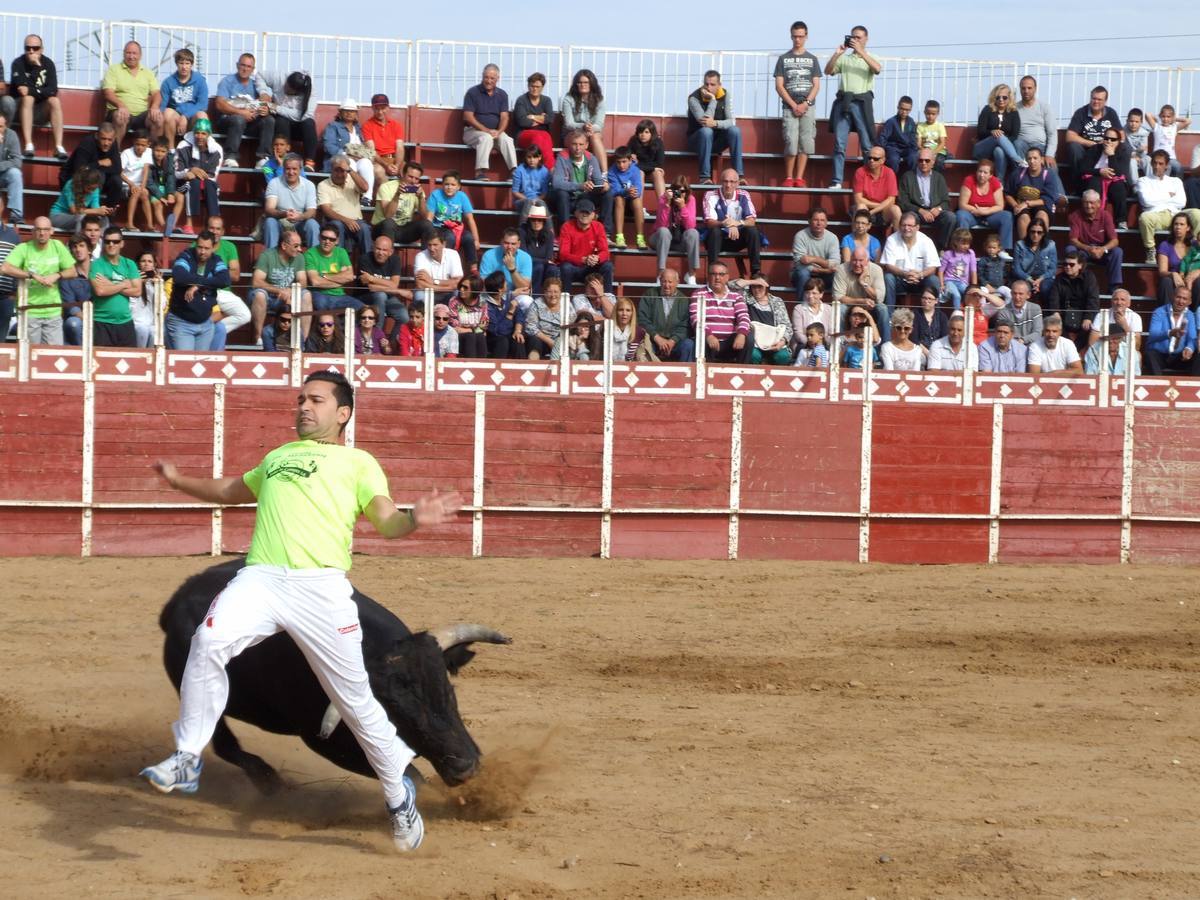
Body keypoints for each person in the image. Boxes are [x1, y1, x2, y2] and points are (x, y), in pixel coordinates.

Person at [142, 370, 461, 848]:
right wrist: (179, 482)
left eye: (315, 400)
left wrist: (417, 518)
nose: (303, 407)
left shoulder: (359, 464)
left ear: (343, 413)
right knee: (206, 640)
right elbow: (231, 491)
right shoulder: (276, 458)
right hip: (261, 577)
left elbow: (388, 521)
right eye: (300, 399)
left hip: (321, 588)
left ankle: (398, 798)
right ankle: (187, 756)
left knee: (356, 703)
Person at [824, 25, 881, 190]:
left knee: (866, 145)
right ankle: (836, 180)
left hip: (862, 103)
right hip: (844, 102)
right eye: (853, 37)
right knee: (839, 144)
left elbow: (877, 69)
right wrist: (837, 54)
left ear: (866, 39)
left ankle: (867, 180)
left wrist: (861, 52)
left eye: (858, 38)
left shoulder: (871, 57)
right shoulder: (844, 58)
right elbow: (828, 71)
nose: (855, 40)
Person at [0, 216, 73, 344]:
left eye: (45, 229)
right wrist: (30, 275)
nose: (42, 233)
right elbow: (5, 268)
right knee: (29, 357)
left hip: (53, 311)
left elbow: (72, 271)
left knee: (53, 357)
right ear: (33, 231)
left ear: (52, 231)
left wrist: (57, 275)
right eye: (38, 229)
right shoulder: (24, 248)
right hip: (29, 311)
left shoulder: (57, 246)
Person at [774, 21, 821, 189]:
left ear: (806, 36)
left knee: (806, 142)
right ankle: (788, 177)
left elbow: (816, 85)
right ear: (791, 36)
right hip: (789, 106)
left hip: (808, 106)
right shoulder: (783, 59)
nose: (798, 40)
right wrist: (794, 104)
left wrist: (806, 103)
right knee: (791, 140)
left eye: (801, 36)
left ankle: (799, 178)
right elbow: (779, 86)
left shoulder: (813, 59)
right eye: (795, 36)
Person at [880, 213, 940, 342]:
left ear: (917, 227)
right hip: (900, 278)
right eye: (904, 225)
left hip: (920, 279)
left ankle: (935, 317)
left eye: (910, 225)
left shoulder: (926, 241)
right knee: (888, 277)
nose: (907, 228)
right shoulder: (892, 239)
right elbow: (889, 265)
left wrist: (920, 274)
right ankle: (890, 318)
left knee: (934, 280)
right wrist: (904, 274)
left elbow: (933, 267)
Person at [166, 230, 229, 350]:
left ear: (213, 248)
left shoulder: (216, 260)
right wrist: (207, 281)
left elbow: (225, 280)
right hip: (182, 322)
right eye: (199, 247)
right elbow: (179, 276)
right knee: (186, 364)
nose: (202, 252)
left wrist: (197, 285)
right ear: (195, 245)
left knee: (200, 365)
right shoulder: (186, 256)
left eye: (206, 248)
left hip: (205, 323)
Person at [1136, 150, 1200, 265]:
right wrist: (1169, 195)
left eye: (1160, 164)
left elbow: (1181, 201)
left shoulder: (1175, 181)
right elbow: (1146, 201)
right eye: (1154, 163)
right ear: (1151, 164)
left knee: (1196, 213)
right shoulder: (1143, 181)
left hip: (1176, 215)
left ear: (1166, 165)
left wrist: (1157, 197)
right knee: (1144, 217)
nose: (1157, 166)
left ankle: (1194, 246)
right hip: (1156, 215)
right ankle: (1150, 250)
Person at [8, 35, 66, 158]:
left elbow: (52, 90)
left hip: (40, 110)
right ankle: (29, 144)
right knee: (28, 98)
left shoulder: (48, 64)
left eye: (35, 48)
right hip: (20, 110)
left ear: (42, 49)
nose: (31, 51)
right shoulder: (18, 63)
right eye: (28, 48)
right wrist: (36, 69)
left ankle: (59, 146)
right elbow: (23, 91)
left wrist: (33, 89)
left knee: (54, 101)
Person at [249, 231, 312, 344]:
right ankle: (258, 338)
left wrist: (290, 291)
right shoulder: (267, 256)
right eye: (296, 246)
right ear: (284, 246)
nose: (300, 249)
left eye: (300, 245)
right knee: (259, 295)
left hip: (288, 297)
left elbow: (303, 282)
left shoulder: (299, 257)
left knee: (306, 295)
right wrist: (280, 290)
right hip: (269, 297)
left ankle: (305, 340)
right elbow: (256, 281)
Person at [213, 52, 274, 162]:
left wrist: (265, 109)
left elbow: (267, 100)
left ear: (253, 69)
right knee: (238, 119)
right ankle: (230, 157)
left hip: (250, 124)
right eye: (243, 65)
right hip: (228, 123)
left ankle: (263, 158)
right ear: (237, 65)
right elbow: (219, 104)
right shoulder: (227, 81)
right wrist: (241, 112)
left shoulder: (256, 85)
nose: (245, 69)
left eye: (249, 66)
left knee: (269, 120)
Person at [87, 226, 140, 347]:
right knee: (101, 364)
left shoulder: (129, 264)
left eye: (115, 242)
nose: (111, 244)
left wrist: (110, 284)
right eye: (107, 241)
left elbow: (137, 291)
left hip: (126, 322)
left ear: (122, 243)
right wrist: (123, 284)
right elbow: (100, 291)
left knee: (128, 362)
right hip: (101, 322)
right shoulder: (96, 264)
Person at [550, 129, 611, 233]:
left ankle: (606, 233)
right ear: (569, 145)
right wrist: (580, 186)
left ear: (586, 145)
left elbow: (598, 180)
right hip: (568, 200)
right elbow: (556, 183)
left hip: (584, 198)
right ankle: (564, 233)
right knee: (561, 193)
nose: (577, 148)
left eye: (581, 144)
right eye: (574, 144)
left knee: (608, 194)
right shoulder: (562, 157)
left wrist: (604, 185)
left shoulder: (591, 158)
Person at [687, 70, 742, 184]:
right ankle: (704, 177)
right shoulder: (693, 98)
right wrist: (712, 99)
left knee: (735, 131)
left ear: (719, 85)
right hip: (697, 141)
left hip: (716, 141)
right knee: (706, 131)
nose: (708, 87)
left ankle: (739, 176)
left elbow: (731, 121)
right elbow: (705, 122)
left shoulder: (726, 94)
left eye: (712, 84)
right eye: (706, 84)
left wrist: (716, 123)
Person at [703, 169, 761, 277]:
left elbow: (752, 220)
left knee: (753, 231)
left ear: (738, 183)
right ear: (720, 182)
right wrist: (725, 224)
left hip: (738, 238)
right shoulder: (710, 195)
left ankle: (756, 272)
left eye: (732, 182)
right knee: (714, 231)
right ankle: (712, 272)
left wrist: (736, 223)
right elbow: (709, 222)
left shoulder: (743, 195)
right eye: (725, 181)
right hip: (720, 240)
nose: (728, 185)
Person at [462, 64, 517, 180]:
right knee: (485, 138)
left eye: (492, 78)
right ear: (482, 77)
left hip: (495, 132)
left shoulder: (502, 95)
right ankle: (479, 172)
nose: (488, 81)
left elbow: (504, 117)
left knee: (507, 139)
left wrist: (499, 131)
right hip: (473, 132)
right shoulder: (472, 92)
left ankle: (514, 172)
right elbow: (468, 117)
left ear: (497, 79)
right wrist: (486, 130)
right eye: (486, 77)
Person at [102, 40, 162, 144]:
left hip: (141, 114)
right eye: (128, 53)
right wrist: (121, 105)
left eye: (134, 53)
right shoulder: (114, 70)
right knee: (120, 117)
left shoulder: (148, 73)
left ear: (140, 55)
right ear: (124, 54)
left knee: (158, 118)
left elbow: (156, 93)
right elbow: (108, 92)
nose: (131, 56)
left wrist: (155, 106)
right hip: (119, 111)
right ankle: (115, 153)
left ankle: (153, 153)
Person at [1064, 86, 1122, 192]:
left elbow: (1121, 136)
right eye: (1093, 98)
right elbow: (1069, 136)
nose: (1096, 102)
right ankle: (1078, 186)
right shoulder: (1081, 112)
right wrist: (1092, 144)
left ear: (1105, 101)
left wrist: (1108, 145)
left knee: (1125, 147)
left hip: (1105, 151)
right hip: (1087, 151)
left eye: (1099, 99)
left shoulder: (1111, 113)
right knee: (1074, 147)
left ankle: (1125, 183)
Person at [690, 261, 750, 362]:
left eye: (721, 274)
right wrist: (708, 335)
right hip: (708, 342)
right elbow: (695, 319)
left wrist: (741, 334)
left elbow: (744, 317)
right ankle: (704, 374)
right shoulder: (698, 294)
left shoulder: (736, 296)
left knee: (748, 338)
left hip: (730, 343)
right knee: (701, 337)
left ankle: (742, 373)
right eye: (713, 274)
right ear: (708, 276)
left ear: (727, 277)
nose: (717, 278)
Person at [204, 216, 251, 345]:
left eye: (218, 229)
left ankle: (209, 331)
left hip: (223, 292)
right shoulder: (198, 245)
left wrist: (211, 274)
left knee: (245, 315)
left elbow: (236, 275)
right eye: (211, 228)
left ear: (223, 231)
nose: (214, 232)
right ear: (206, 229)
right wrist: (222, 274)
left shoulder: (229, 247)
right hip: (203, 290)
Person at [1005, 146, 1065, 243]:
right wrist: (1015, 205)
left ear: (1041, 159)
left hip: (1042, 206)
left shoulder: (1049, 175)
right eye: (1029, 158)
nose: (1032, 161)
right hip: (1021, 206)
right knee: (1023, 217)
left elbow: (1048, 199)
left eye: (1035, 158)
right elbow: (1008, 194)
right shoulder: (1017, 174)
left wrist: (1027, 203)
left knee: (1041, 215)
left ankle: (1042, 246)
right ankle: (1025, 249)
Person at [898, 149, 955, 250]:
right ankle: (910, 248)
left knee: (950, 217)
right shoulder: (907, 177)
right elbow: (903, 202)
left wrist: (939, 209)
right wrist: (920, 210)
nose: (923, 163)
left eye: (927, 160)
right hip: (916, 212)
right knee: (910, 218)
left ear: (933, 162)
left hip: (934, 212)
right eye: (921, 160)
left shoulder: (939, 178)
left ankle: (940, 248)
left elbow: (946, 201)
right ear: (917, 161)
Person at [649, 176, 700, 285]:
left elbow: (690, 225)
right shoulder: (664, 198)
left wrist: (682, 207)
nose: (679, 194)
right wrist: (667, 204)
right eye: (676, 190)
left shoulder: (691, 199)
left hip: (680, 240)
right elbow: (661, 225)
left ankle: (691, 275)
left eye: (682, 191)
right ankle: (660, 274)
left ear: (687, 192)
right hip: (660, 239)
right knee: (663, 231)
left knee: (693, 233)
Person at [174, 118, 222, 234]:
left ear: (208, 135)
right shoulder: (183, 146)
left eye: (203, 133)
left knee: (210, 186)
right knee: (192, 183)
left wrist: (196, 173)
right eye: (197, 133)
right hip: (181, 185)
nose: (199, 136)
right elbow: (177, 173)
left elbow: (212, 175)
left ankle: (212, 226)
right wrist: (190, 170)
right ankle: (188, 224)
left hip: (206, 183)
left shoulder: (216, 149)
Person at [317, 153, 371, 257]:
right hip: (335, 222)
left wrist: (350, 170)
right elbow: (326, 210)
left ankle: (367, 267)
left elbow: (365, 188)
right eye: (336, 170)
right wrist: (346, 220)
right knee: (338, 226)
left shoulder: (352, 180)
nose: (339, 174)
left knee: (364, 229)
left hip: (356, 222)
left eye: (343, 170)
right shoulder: (323, 185)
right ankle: (338, 263)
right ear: (331, 170)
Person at [359, 234, 411, 340]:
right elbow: (372, 288)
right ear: (373, 248)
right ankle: (378, 336)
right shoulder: (365, 259)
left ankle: (389, 344)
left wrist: (372, 278)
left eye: (384, 250)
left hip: (389, 296)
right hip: (365, 296)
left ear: (390, 252)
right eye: (378, 249)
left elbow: (394, 284)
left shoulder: (395, 260)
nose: (380, 253)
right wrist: (398, 291)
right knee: (380, 295)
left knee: (404, 317)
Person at [638, 268, 695, 362]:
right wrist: (657, 338)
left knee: (688, 344)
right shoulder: (649, 295)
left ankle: (684, 375)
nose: (667, 285)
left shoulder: (684, 300)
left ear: (677, 282)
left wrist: (672, 341)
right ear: (660, 281)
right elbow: (643, 319)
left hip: (675, 342)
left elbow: (685, 325)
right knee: (643, 345)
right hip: (653, 340)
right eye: (664, 281)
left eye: (670, 282)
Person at [1068, 189, 1123, 288]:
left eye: (1092, 203)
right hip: (1084, 250)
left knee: (1117, 252)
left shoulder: (1106, 215)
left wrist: (1103, 249)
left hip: (1102, 250)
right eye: (1086, 203)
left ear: (1098, 203)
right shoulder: (1075, 216)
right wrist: (1088, 248)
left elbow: (1115, 240)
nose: (1088, 206)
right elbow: (1073, 239)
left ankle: (1114, 287)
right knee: (1070, 250)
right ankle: (1075, 284)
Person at [321, 100, 375, 201]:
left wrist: (364, 155)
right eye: (346, 110)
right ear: (340, 112)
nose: (349, 113)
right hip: (339, 159)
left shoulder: (358, 129)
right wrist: (346, 155)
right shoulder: (333, 126)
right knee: (350, 164)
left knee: (366, 163)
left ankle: (367, 197)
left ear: (356, 114)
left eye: (352, 111)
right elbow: (328, 146)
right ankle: (350, 196)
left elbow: (364, 147)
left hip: (358, 159)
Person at [373, 161, 436, 247]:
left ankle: (426, 258)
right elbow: (388, 215)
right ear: (403, 174)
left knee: (427, 224)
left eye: (416, 178)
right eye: (410, 177)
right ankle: (389, 258)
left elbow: (425, 217)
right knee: (389, 223)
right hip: (382, 228)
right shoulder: (386, 187)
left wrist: (421, 198)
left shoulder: (418, 190)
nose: (413, 181)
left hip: (404, 229)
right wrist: (397, 195)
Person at [956, 159, 1014, 251]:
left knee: (1007, 216)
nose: (981, 175)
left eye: (985, 172)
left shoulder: (995, 182)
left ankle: (1004, 249)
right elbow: (962, 205)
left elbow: (1000, 206)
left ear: (990, 175)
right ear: (976, 172)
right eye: (980, 171)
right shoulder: (969, 180)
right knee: (961, 215)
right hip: (972, 214)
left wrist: (985, 211)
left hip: (990, 216)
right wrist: (977, 211)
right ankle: (962, 248)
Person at [264, 71, 317, 170]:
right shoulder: (279, 77)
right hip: (282, 126)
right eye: (286, 85)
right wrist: (263, 92)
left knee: (309, 122)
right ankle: (283, 158)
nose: (285, 88)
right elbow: (260, 75)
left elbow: (304, 115)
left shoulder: (310, 92)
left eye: (289, 89)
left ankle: (309, 162)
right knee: (281, 120)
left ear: (297, 92)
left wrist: (277, 108)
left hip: (300, 129)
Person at [264, 153, 320, 248]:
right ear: (283, 169)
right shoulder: (274, 183)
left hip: (300, 223)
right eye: (288, 169)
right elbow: (269, 209)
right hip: (280, 222)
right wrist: (284, 214)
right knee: (270, 222)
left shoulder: (309, 185)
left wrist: (300, 217)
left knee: (312, 224)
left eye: (294, 169)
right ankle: (271, 258)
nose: (291, 172)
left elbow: (312, 211)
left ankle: (314, 260)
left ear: (300, 170)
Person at [62, 120, 122, 208]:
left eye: (109, 140)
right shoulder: (87, 143)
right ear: (97, 136)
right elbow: (79, 169)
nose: (106, 143)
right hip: (74, 180)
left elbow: (118, 169)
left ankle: (109, 216)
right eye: (103, 139)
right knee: (99, 175)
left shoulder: (113, 144)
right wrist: (99, 163)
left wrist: (96, 167)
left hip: (97, 180)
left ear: (114, 138)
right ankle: (91, 216)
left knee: (116, 181)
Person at [1047, 247, 1100, 346]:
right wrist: (1055, 313)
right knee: (1054, 325)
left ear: (1080, 265)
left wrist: (1088, 317)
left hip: (1084, 314)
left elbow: (1093, 299)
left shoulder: (1089, 277)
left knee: (1091, 327)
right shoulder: (1059, 279)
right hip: (1064, 315)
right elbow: (1054, 298)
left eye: (1071, 264)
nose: (1067, 267)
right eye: (1065, 264)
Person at [558, 199, 613, 293]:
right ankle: (565, 300)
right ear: (575, 213)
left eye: (587, 212)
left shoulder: (598, 226)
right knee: (565, 267)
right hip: (574, 267)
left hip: (591, 268)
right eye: (581, 212)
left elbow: (605, 252)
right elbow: (563, 254)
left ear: (593, 215)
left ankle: (609, 299)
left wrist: (597, 258)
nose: (584, 215)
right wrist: (583, 259)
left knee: (608, 266)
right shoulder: (567, 226)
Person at [427, 171, 479, 270]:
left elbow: (470, 219)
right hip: (439, 227)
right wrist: (429, 235)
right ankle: (445, 267)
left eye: (453, 184)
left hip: (457, 227)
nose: (449, 187)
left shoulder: (462, 196)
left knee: (468, 238)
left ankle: (474, 270)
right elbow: (429, 218)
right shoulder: (436, 195)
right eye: (446, 184)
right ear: (442, 185)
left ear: (458, 187)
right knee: (449, 237)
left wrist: (476, 240)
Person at [972, 84, 1024, 181]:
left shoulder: (1013, 112)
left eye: (1004, 97)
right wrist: (992, 132)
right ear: (994, 98)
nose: (1001, 100)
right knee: (998, 136)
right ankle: (1018, 160)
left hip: (1002, 150)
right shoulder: (987, 109)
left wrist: (1003, 143)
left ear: (1009, 98)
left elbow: (1014, 135)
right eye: (998, 97)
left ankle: (1000, 182)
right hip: (982, 149)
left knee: (999, 151)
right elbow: (980, 132)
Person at [1080, 127, 1131, 223]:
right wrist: (1099, 172)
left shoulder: (1123, 152)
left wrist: (1111, 155)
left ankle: (1121, 221)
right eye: (1106, 138)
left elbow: (1119, 173)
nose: (1109, 141)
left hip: (1113, 181)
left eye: (1113, 139)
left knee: (1119, 187)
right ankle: (1093, 217)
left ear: (1118, 141)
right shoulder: (1095, 149)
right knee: (1095, 181)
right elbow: (1083, 169)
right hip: (1094, 179)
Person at [1144, 285, 1198, 374]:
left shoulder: (1190, 315)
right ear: (1173, 296)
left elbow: (1192, 338)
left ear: (1189, 302)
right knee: (1150, 354)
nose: (1181, 301)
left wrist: (1189, 348)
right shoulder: (1159, 312)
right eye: (1178, 297)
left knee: (1197, 357)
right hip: (1160, 355)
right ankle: (1158, 386)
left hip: (1179, 357)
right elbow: (1153, 334)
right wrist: (1170, 333)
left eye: (1184, 299)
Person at [562, 68, 607, 173]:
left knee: (595, 136)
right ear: (576, 84)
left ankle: (604, 173)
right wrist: (583, 126)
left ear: (591, 84)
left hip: (592, 133)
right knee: (578, 139)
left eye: (586, 82)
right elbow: (569, 124)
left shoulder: (599, 100)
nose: (583, 85)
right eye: (580, 82)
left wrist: (590, 128)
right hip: (572, 133)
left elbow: (599, 124)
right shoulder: (568, 99)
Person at [833, 246, 886, 335]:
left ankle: (884, 345)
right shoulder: (841, 269)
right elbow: (837, 297)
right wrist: (861, 301)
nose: (857, 264)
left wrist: (862, 282)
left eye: (861, 260)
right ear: (850, 259)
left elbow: (880, 297)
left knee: (882, 308)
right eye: (854, 260)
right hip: (850, 306)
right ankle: (841, 341)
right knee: (840, 308)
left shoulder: (876, 269)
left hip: (870, 306)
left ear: (867, 261)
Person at [159, 49, 208, 144]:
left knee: (202, 116)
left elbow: (203, 105)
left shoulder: (200, 80)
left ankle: (200, 151)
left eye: (187, 63)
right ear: (177, 64)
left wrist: (185, 116)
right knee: (167, 112)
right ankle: (170, 151)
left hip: (193, 116)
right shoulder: (168, 82)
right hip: (176, 117)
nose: (184, 67)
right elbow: (163, 106)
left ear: (191, 65)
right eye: (181, 63)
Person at [306, 225, 359, 313]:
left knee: (362, 308)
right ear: (319, 237)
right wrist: (340, 281)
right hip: (319, 294)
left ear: (337, 241)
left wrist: (324, 276)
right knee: (322, 304)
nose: (327, 241)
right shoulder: (310, 254)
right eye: (324, 238)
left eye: (332, 239)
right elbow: (315, 282)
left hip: (340, 296)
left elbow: (349, 276)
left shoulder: (341, 252)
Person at [359, 93, 405, 194]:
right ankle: (387, 201)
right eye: (377, 108)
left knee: (409, 172)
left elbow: (400, 148)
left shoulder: (396, 125)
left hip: (395, 160)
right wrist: (386, 165)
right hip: (378, 160)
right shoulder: (367, 126)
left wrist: (397, 165)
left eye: (383, 108)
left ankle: (405, 203)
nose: (380, 112)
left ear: (388, 108)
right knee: (379, 172)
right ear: (372, 108)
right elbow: (371, 150)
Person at [790, 207, 839, 298]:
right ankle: (802, 307)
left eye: (822, 220)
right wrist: (823, 269)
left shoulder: (832, 238)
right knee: (803, 273)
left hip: (825, 275)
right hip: (802, 274)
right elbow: (799, 264)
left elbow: (835, 263)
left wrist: (814, 259)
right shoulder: (800, 236)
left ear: (826, 223)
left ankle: (835, 309)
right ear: (809, 221)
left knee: (838, 275)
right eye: (816, 220)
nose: (819, 223)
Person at [743, 277, 793, 365]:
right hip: (755, 343)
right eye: (754, 287)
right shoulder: (747, 297)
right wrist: (752, 281)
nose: (757, 290)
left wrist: (781, 342)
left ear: (767, 287)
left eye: (760, 287)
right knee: (753, 355)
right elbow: (731, 285)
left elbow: (787, 327)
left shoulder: (777, 301)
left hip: (775, 342)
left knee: (783, 356)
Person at [513, 72, 555, 167]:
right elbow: (522, 121)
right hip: (523, 134)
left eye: (538, 86)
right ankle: (543, 168)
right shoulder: (521, 100)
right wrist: (541, 118)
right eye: (532, 86)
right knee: (538, 137)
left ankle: (550, 168)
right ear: (528, 86)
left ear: (542, 87)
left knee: (546, 136)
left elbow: (550, 119)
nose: (535, 89)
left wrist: (532, 116)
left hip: (543, 134)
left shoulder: (546, 100)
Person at [50, 165, 109, 233]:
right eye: (89, 188)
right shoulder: (71, 185)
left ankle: (98, 242)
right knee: (80, 217)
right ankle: (78, 241)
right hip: (58, 216)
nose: (92, 191)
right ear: (82, 184)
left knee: (104, 219)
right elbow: (74, 210)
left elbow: (96, 208)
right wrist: (96, 211)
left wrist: (104, 212)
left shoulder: (95, 189)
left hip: (76, 218)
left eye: (94, 189)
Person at [853, 148, 900, 231]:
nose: (871, 160)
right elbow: (858, 199)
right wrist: (880, 206)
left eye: (875, 159)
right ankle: (857, 240)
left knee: (895, 209)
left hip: (884, 211)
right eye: (869, 158)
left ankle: (900, 242)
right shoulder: (860, 172)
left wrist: (871, 212)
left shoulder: (889, 173)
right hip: (867, 207)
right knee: (861, 207)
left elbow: (892, 200)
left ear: (883, 160)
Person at [478, 227, 533, 299]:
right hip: (493, 295)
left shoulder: (526, 257)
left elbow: (525, 287)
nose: (509, 247)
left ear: (518, 244)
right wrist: (509, 294)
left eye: (513, 244)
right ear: (501, 242)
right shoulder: (488, 255)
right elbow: (484, 285)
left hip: (516, 296)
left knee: (526, 300)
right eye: (506, 243)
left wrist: (512, 269)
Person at [1013, 75, 1057, 165]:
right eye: (1023, 88)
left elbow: (1052, 133)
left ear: (1035, 89)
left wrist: (1049, 155)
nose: (1026, 91)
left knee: (1051, 167)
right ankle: (1021, 174)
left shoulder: (1044, 107)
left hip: (1040, 146)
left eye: (1029, 88)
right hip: (1021, 146)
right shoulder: (1014, 108)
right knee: (1017, 144)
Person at [482, 271, 525, 360]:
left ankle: (521, 369)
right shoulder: (486, 306)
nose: (507, 284)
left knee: (518, 340)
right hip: (492, 339)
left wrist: (517, 331)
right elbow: (498, 331)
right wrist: (510, 313)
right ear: (500, 289)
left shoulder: (507, 299)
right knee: (503, 341)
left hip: (510, 335)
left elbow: (520, 314)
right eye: (505, 282)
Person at [608, 147, 645, 249]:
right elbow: (615, 191)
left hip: (632, 203)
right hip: (618, 205)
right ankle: (619, 237)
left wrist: (634, 193)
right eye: (618, 162)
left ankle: (640, 238)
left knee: (637, 201)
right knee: (619, 198)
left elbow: (638, 187)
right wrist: (626, 191)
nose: (621, 165)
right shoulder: (612, 171)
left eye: (624, 162)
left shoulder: (635, 170)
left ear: (630, 160)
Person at [524, 277, 570, 359]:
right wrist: (549, 341)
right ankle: (534, 367)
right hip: (541, 338)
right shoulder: (537, 304)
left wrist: (558, 342)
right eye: (549, 292)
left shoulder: (567, 304)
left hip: (560, 340)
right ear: (544, 292)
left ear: (560, 293)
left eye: (556, 292)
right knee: (534, 342)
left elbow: (572, 324)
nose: (553, 295)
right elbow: (530, 327)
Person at [1156, 211, 1196, 306]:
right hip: (1174, 283)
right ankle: (1167, 314)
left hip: (1192, 281)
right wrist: (1173, 274)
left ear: (1188, 227)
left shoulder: (1195, 245)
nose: (1178, 227)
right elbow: (1162, 271)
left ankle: (1197, 315)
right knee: (1166, 281)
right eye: (1176, 224)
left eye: (1182, 224)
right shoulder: (1165, 245)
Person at [413, 231, 464, 305]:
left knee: (457, 293)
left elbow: (458, 282)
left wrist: (433, 281)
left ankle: (454, 316)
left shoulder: (453, 254)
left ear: (444, 244)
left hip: (446, 293)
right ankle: (424, 317)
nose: (431, 248)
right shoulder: (421, 256)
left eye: (435, 245)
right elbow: (420, 284)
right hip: (431, 293)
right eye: (429, 245)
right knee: (419, 295)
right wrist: (447, 288)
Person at [518, 200, 557, 294]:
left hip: (543, 266)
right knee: (539, 267)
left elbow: (549, 257)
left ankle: (550, 294)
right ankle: (535, 295)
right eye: (533, 220)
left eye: (539, 220)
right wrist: (544, 261)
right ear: (529, 221)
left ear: (544, 222)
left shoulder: (549, 234)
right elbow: (525, 257)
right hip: (527, 266)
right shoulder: (522, 232)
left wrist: (545, 261)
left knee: (553, 269)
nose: (536, 222)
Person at [1012, 220, 1057, 300]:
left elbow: (1052, 269)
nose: (1035, 235)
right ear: (1028, 232)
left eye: (1039, 232)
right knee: (1023, 288)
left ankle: (1046, 311)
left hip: (1044, 277)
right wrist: (1030, 280)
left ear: (1044, 233)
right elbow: (1017, 269)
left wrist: (1040, 280)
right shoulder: (1020, 245)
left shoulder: (1050, 245)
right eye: (1033, 232)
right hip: (1025, 276)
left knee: (1046, 287)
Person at [120, 130, 153, 231]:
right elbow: (119, 172)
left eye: (143, 145)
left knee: (145, 193)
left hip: (139, 184)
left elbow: (146, 169)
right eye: (137, 144)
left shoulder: (148, 152)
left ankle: (150, 225)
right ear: (133, 142)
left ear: (148, 145)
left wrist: (142, 186)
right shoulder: (126, 153)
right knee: (136, 193)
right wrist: (132, 184)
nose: (140, 147)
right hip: (126, 184)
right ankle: (129, 223)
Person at [449, 275, 488, 358]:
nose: (461, 289)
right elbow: (455, 327)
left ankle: (483, 365)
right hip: (459, 337)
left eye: (465, 288)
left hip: (477, 335)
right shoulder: (454, 302)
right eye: (461, 286)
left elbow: (484, 325)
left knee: (480, 337)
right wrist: (471, 329)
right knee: (470, 336)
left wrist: (467, 329)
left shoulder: (482, 302)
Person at [628, 119, 667, 200]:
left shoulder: (658, 142)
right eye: (640, 132)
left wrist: (640, 165)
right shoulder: (633, 141)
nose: (643, 135)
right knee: (640, 173)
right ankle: (639, 208)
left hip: (652, 173)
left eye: (646, 132)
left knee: (658, 173)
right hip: (638, 172)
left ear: (652, 133)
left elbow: (659, 163)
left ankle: (663, 206)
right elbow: (630, 163)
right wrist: (652, 167)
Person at [878, 96, 918, 175]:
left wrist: (914, 148)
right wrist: (883, 150)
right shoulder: (891, 122)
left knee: (913, 157)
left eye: (907, 110)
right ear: (898, 107)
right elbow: (883, 137)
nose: (904, 112)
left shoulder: (911, 122)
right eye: (902, 109)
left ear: (910, 110)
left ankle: (910, 180)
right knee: (893, 159)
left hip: (907, 148)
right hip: (894, 148)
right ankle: (892, 181)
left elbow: (913, 138)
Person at [939, 228, 977, 309]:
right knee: (957, 295)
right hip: (949, 281)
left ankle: (971, 314)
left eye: (968, 243)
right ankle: (957, 314)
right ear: (956, 242)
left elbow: (973, 270)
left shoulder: (970, 253)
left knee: (970, 294)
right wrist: (942, 284)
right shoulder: (948, 254)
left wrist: (974, 287)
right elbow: (941, 271)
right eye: (963, 243)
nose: (966, 246)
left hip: (962, 282)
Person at [511, 144, 550, 221]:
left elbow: (544, 193)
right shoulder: (519, 170)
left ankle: (550, 231)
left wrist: (535, 200)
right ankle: (522, 230)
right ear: (525, 158)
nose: (532, 160)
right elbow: (515, 192)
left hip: (538, 200)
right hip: (521, 201)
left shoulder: (544, 171)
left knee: (542, 204)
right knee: (528, 202)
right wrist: (529, 200)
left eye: (534, 157)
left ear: (539, 157)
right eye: (529, 157)